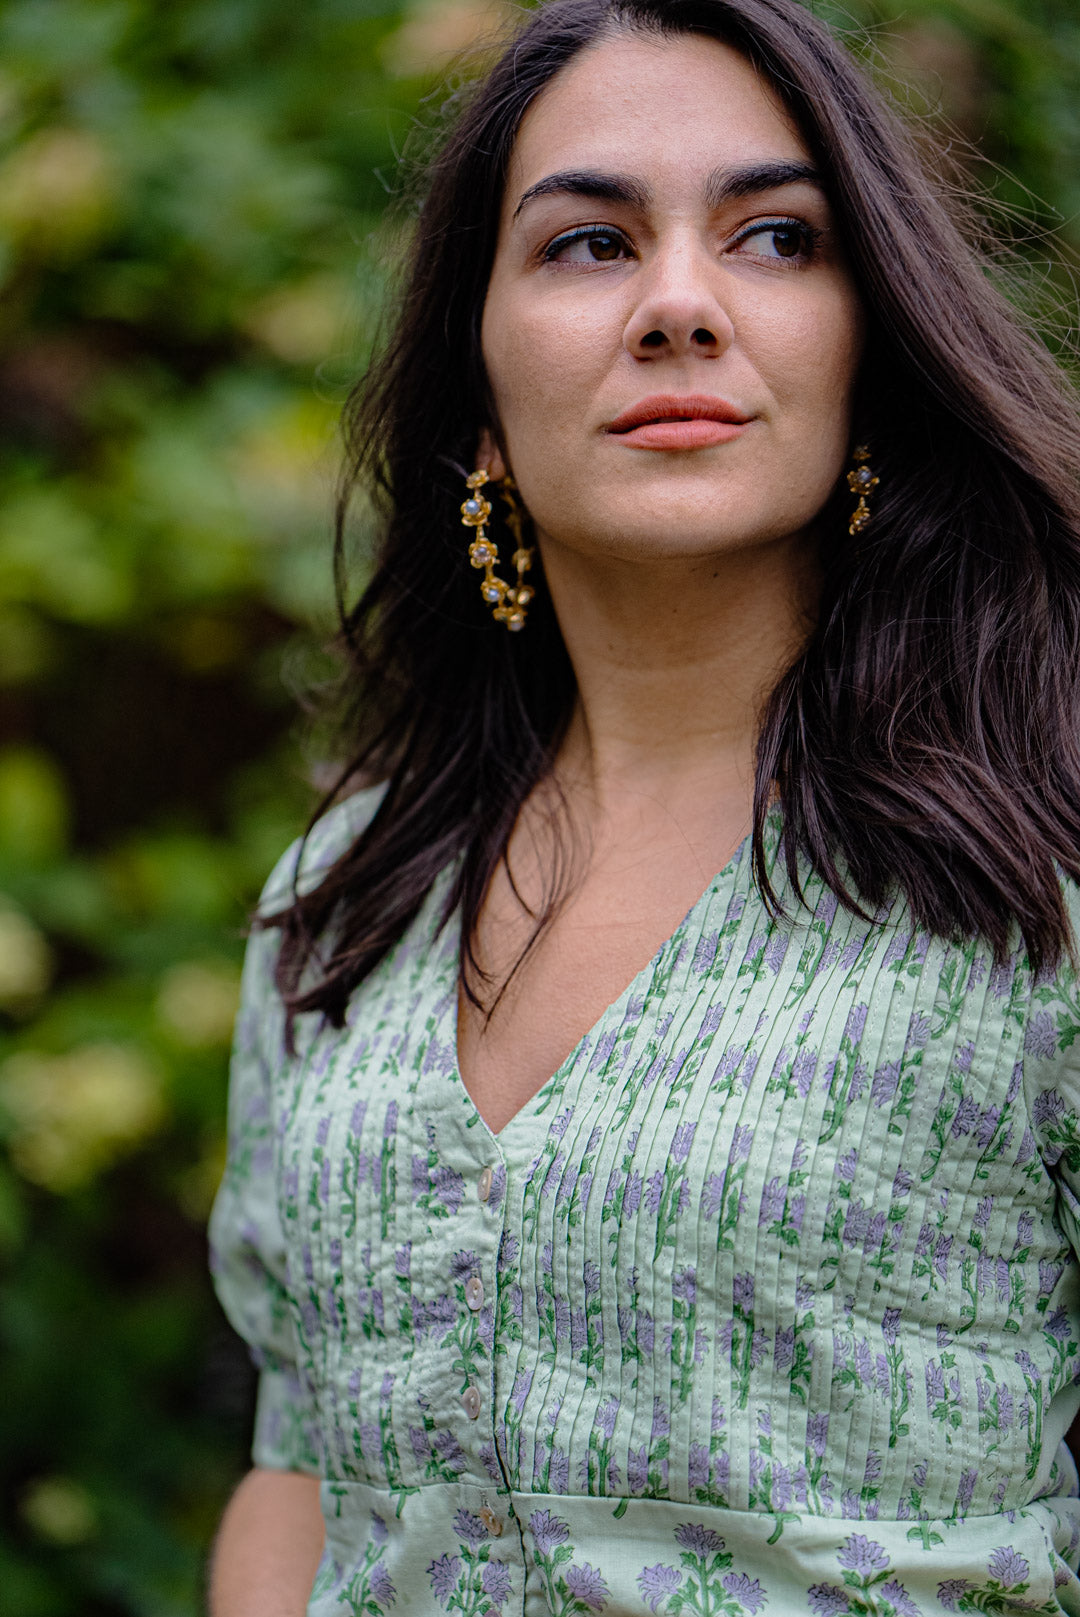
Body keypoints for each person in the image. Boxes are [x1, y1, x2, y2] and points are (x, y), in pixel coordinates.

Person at [207, 0, 1080, 1612]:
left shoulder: (1038, 877)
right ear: (478, 396)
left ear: (870, 351)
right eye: (590, 245)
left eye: (775, 237)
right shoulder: (344, 900)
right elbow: (296, 1460)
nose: (680, 303)